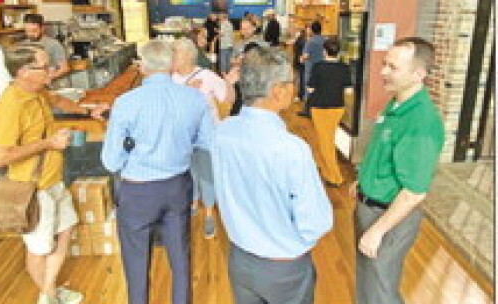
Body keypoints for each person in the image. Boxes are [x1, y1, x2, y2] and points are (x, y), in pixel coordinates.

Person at [211, 46, 333, 304]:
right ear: (277, 91)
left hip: (240, 259)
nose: (295, 87)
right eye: (292, 82)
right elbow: (317, 221)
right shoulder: (291, 149)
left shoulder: (222, 133)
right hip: (283, 266)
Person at [0, 45, 107, 304]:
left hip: (53, 181)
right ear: (23, 71)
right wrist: (49, 144)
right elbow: (0, 156)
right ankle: (48, 296)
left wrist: (88, 111)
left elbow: (58, 100)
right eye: (44, 67)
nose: (52, 71)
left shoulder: (38, 92)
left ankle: (49, 291)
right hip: (33, 188)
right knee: (39, 248)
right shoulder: (11, 105)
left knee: (65, 230)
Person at [101, 40, 214, 304]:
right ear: (172, 65)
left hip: (137, 191)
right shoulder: (194, 98)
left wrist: (131, 150)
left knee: (136, 260)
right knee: (180, 256)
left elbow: (110, 161)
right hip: (177, 186)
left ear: (142, 67)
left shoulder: (125, 103)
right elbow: (208, 142)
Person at [349, 37, 444, 304]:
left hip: (388, 217)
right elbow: (384, 154)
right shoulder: (396, 104)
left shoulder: (421, 123)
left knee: (381, 288)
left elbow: (414, 192)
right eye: (384, 64)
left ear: (418, 74)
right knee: (368, 281)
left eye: (392, 67)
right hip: (369, 206)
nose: (382, 72)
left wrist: (378, 230)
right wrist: (363, 181)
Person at [171, 37, 236, 238]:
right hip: (181, 136)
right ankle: (193, 202)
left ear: (189, 57)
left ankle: (209, 215)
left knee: (207, 174)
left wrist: (228, 83)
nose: (172, 57)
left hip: (206, 136)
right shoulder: (168, 78)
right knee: (187, 173)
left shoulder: (207, 76)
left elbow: (228, 99)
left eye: (176, 53)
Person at [307, 38, 353, 187]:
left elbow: (310, 89)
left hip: (319, 107)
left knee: (324, 141)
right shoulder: (345, 68)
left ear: (324, 51)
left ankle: (335, 176)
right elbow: (348, 90)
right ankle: (326, 171)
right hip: (337, 108)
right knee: (328, 139)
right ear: (338, 52)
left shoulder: (318, 67)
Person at [229, 19, 268, 116]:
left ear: (254, 28)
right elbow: (231, 60)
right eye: (242, 29)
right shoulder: (238, 43)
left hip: (255, 82)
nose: (244, 31)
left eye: (247, 28)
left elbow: (266, 61)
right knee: (237, 106)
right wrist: (238, 61)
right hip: (239, 80)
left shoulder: (261, 43)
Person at [22, 14, 70, 83]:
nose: (30, 34)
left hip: (52, 85)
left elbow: (65, 68)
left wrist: (50, 77)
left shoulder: (53, 44)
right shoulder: (24, 45)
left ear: (42, 28)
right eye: (27, 31)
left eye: (34, 31)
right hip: (33, 86)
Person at [299, 21, 325, 116]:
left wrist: (301, 59)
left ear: (312, 30)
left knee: (309, 89)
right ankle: (318, 109)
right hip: (322, 68)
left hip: (311, 68)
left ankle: (307, 110)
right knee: (319, 88)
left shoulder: (310, 41)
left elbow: (305, 56)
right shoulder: (324, 39)